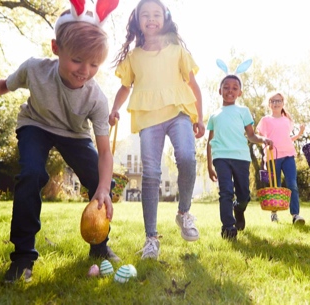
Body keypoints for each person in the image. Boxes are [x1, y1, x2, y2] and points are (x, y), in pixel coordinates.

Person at [0, 5, 121, 283]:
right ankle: (22, 258)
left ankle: (99, 246)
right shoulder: (34, 69)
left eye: (94, 64)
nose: (85, 71)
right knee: (31, 174)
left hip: (75, 134)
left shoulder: (96, 98)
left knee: (100, 181)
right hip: (36, 125)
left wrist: (103, 188)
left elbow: (104, 151)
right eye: (78, 60)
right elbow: (4, 85)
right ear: (56, 48)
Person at [110, 0, 205, 259]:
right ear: (137, 20)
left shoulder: (177, 50)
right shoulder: (134, 57)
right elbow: (125, 87)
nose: (151, 19)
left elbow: (194, 86)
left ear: (165, 18)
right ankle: (151, 238)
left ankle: (184, 213)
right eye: (145, 15)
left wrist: (200, 117)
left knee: (186, 157)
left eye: (156, 14)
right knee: (150, 173)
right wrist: (115, 108)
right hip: (148, 117)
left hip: (179, 112)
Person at [207, 75, 273, 240]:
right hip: (221, 157)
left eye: (234, 88)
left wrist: (263, 139)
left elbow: (251, 135)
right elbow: (210, 141)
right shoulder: (214, 116)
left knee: (244, 195)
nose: (230, 90)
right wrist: (209, 165)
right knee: (226, 192)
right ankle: (228, 228)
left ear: (240, 93)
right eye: (226, 87)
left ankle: (239, 209)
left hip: (241, 157)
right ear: (220, 90)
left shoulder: (243, 111)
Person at [256, 92, 306, 225]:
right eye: (273, 101)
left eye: (279, 101)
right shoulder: (265, 120)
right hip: (273, 157)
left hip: (288, 155)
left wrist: (299, 134)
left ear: (283, 103)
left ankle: (295, 215)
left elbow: (286, 138)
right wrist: (265, 149)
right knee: (275, 186)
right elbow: (261, 138)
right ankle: (274, 213)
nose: (276, 103)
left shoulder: (287, 120)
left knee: (292, 184)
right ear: (269, 104)